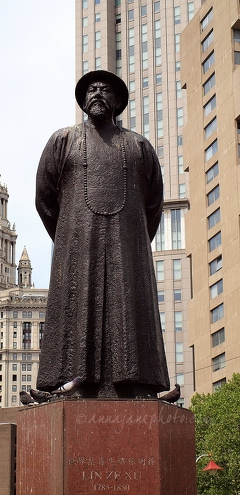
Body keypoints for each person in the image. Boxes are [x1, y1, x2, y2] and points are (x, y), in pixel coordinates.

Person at [36, 70, 170, 398]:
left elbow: (153, 203)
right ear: (83, 100)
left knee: (130, 304)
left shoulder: (139, 146)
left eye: (105, 90)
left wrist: (134, 241)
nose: (97, 93)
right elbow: (44, 199)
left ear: (118, 101)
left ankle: (136, 382)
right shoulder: (62, 141)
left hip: (129, 245)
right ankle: (72, 381)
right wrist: (70, 236)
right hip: (77, 246)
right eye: (91, 89)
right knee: (76, 305)